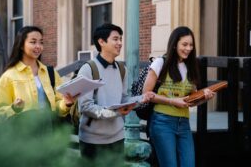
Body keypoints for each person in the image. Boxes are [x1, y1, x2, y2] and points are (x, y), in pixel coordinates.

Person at [77, 23, 155, 160]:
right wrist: (114, 113)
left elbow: (123, 99)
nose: (120, 43)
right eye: (115, 39)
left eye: (120, 39)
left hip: (117, 138)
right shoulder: (87, 69)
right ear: (101, 42)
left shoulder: (122, 69)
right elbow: (85, 107)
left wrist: (140, 99)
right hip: (92, 140)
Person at [143, 26, 215, 167]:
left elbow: (189, 102)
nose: (188, 48)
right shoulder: (160, 63)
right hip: (162, 122)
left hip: (184, 124)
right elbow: (146, 94)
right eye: (185, 44)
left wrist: (203, 98)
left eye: (191, 45)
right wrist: (172, 101)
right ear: (175, 44)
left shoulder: (191, 67)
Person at [0, 26, 75, 123]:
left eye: (41, 42)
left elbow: (57, 107)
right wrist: (13, 108)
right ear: (21, 45)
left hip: (50, 133)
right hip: (24, 135)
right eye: (33, 42)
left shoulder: (50, 73)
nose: (38, 46)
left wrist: (66, 103)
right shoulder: (9, 76)